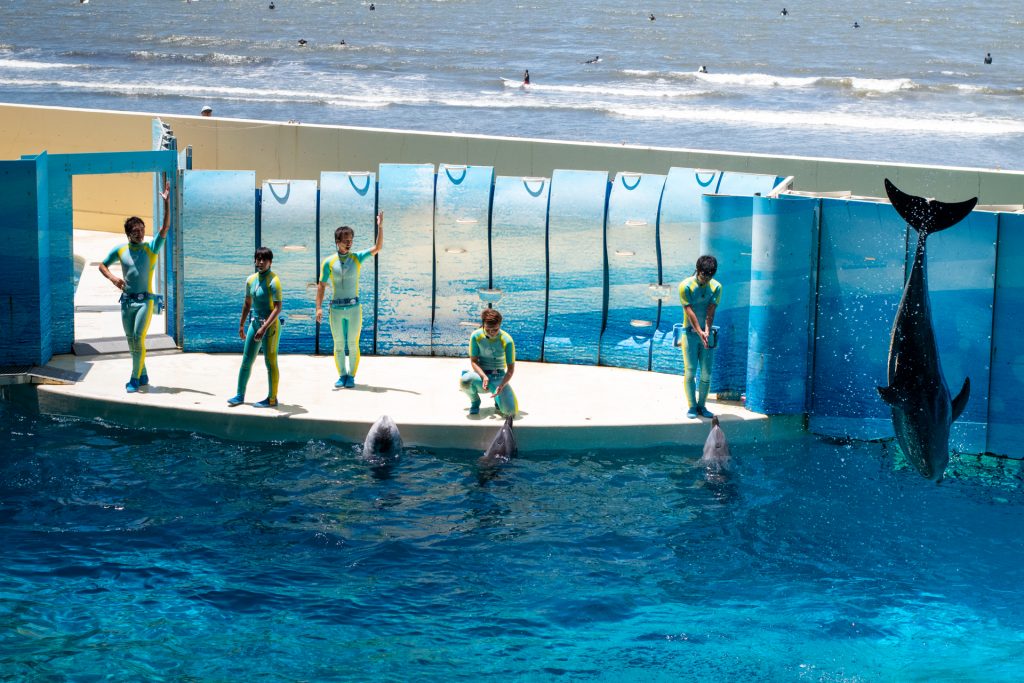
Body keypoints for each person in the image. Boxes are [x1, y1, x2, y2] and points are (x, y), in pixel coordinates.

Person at [98, 178, 170, 394]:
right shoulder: (120, 250)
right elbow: (102, 265)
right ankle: (144, 372)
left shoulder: (151, 248)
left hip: (145, 301)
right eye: (136, 230)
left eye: (142, 229)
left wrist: (166, 204)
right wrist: (113, 278)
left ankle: (134, 378)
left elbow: (165, 228)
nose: (140, 233)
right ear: (128, 233)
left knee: (138, 338)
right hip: (126, 302)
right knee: (131, 342)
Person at [315, 211, 384, 388]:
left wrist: (380, 227)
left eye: (351, 240)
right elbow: (321, 285)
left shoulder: (357, 257)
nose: (349, 243)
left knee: (353, 343)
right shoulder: (328, 262)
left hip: (354, 308)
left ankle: (351, 376)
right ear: (337, 242)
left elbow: (377, 248)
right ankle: (342, 375)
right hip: (336, 310)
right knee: (338, 344)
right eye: (346, 240)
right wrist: (318, 308)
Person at [227, 247, 283, 408]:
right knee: (246, 360)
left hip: (270, 326)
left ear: (270, 262)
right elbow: (247, 304)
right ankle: (239, 395)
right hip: (255, 323)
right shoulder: (251, 280)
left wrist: (264, 328)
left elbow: (278, 308)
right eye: (258, 258)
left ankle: (272, 399)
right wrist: (241, 325)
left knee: (270, 362)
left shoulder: (274, 281)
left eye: (264, 259)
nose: (260, 262)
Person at [679, 255, 722, 419]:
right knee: (690, 370)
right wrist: (699, 331)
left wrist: (707, 330)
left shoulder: (716, 287)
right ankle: (692, 406)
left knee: (706, 373)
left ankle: (702, 405)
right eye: (704, 275)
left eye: (710, 276)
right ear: (698, 271)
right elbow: (689, 311)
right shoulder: (685, 286)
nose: (706, 279)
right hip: (689, 333)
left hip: (707, 333)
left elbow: (711, 310)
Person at [460, 308, 518, 417]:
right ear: (483, 325)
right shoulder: (476, 336)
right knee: (465, 381)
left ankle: (498, 399)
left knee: (510, 413)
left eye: (495, 330)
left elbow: (510, 370)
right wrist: (483, 376)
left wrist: (501, 385)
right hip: (481, 376)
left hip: (498, 376)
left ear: (500, 325)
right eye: (488, 329)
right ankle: (475, 401)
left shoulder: (507, 340)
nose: (491, 333)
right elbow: (473, 361)